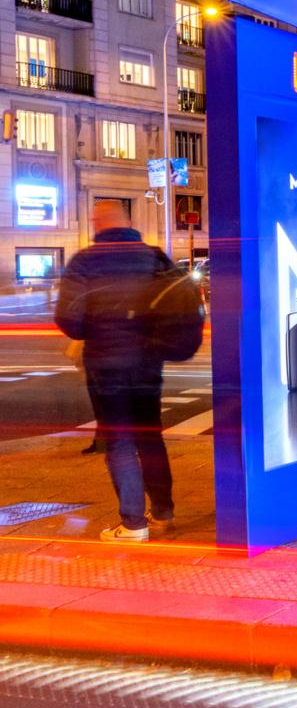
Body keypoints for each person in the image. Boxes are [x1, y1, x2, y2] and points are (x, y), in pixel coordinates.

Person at [55, 202, 176, 541]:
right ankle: (163, 512)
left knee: (120, 441)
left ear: (99, 224)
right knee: (150, 437)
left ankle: (134, 524)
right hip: (148, 363)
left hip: (107, 367)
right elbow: (177, 304)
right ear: (129, 222)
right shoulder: (154, 257)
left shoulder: (85, 261)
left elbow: (69, 320)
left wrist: (95, 327)